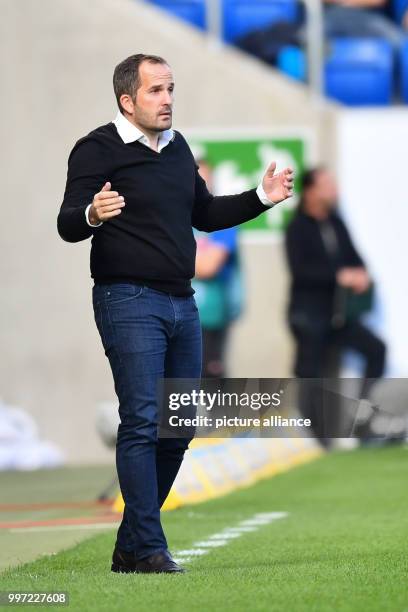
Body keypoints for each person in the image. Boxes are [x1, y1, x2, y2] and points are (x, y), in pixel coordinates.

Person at [57, 53, 294, 574]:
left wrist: (261, 196)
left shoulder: (178, 147)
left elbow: (204, 215)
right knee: (142, 420)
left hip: (181, 303)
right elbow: (68, 224)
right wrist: (92, 213)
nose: (167, 100)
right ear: (127, 99)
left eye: (170, 89)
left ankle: (131, 544)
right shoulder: (96, 149)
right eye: (156, 91)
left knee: (179, 425)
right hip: (128, 300)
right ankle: (148, 547)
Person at [285, 167, 386, 443]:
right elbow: (301, 271)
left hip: (339, 315)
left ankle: (364, 416)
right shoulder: (297, 227)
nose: (334, 190)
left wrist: (361, 273)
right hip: (308, 315)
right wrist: (338, 275)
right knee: (311, 372)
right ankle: (314, 438)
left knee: (376, 349)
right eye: (327, 184)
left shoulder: (336, 222)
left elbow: (354, 257)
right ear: (310, 191)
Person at [193, 159, 244, 378]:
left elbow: (208, 267)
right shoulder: (172, 217)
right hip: (173, 315)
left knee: (211, 377)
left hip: (211, 316)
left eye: (207, 179)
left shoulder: (225, 218)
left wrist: (171, 260)